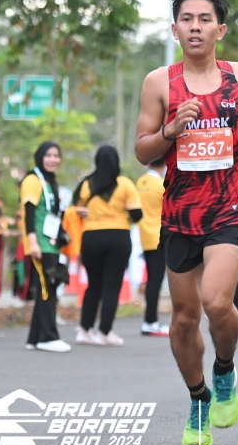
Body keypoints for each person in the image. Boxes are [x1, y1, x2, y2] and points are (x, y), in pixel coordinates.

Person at [134, 0, 238, 445]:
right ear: (174, 30)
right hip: (179, 212)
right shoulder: (159, 83)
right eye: (186, 19)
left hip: (230, 207)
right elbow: (142, 150)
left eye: (204, 19)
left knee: (217, 302)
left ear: (221, 29)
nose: (195, 26)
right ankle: (198, 398)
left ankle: (224, 370)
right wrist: (170, 130)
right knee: (182, 320)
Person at [70, 146, 143, 346]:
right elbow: (137, 215)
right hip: (118, 237)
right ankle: (105, 331)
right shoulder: (125, 184)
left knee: (93, 285)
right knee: (112, 286)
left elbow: (75, 208)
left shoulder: (86, 184)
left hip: (91, 237)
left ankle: (84, 330)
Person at [21, 141, 71, 353]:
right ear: (40, 157)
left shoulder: (51, 182)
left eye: (56, 155)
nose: (53, 159)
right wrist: (33, 242)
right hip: (39, 243)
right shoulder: (33, 180)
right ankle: (49, 336)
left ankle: (35, 338)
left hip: (51, 243)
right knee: (46, 288)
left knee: (48, 287)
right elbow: (29, 212)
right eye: (49, 155)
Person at [136, 156, 169, 336]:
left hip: (144, 236)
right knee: (155, 281)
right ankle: (150, 321)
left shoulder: (140, 182)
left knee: (151, 280)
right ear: (165, 162)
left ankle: (149, 320)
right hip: (159, 236)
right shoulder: (161, 185)